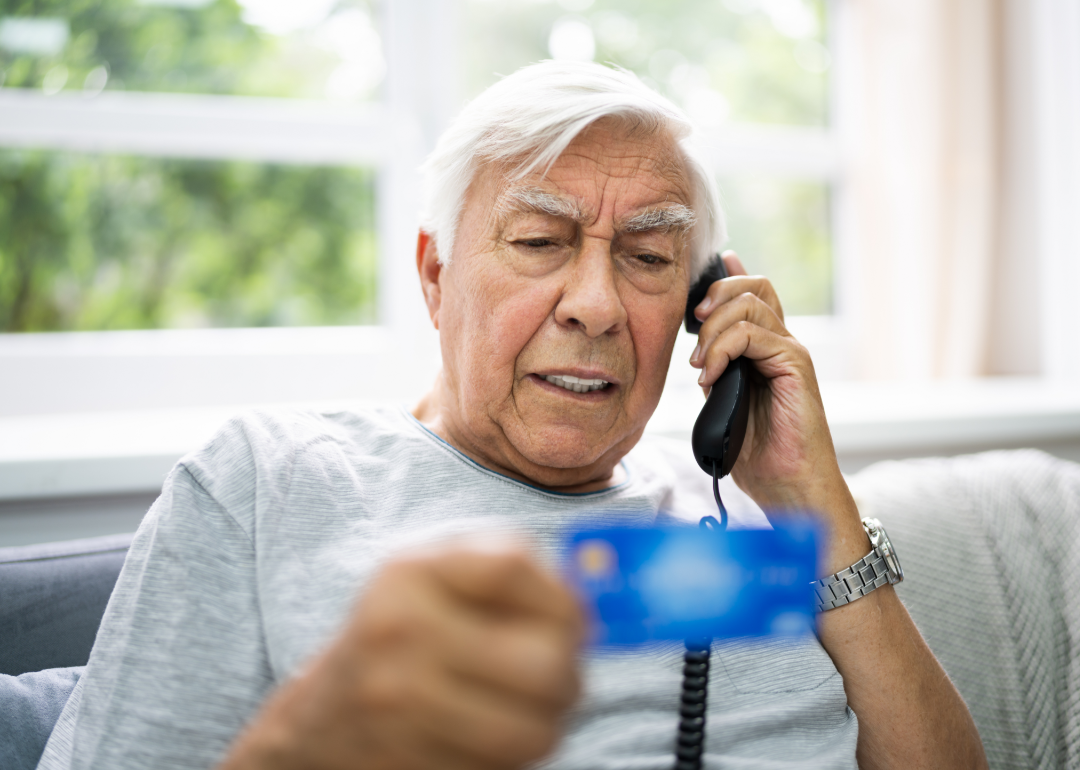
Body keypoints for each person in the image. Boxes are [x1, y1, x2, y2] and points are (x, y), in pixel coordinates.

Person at [37, 61, 987, 770]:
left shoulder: (745, 527)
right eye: (538, 241)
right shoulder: (268, 478)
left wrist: (813, 503)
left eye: (649, 259)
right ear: (436, 276)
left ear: (704, 302)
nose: (597, 305)